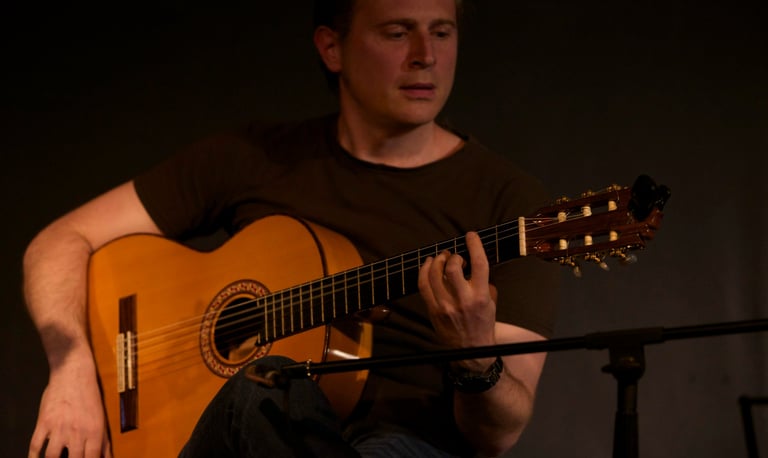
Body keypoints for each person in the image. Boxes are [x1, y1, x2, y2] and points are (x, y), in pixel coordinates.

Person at [24, 0, 560, 456]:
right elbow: (58, 242)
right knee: (268, 389)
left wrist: (475, 357)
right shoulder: (253, 158)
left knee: (275, 390)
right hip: (235, 432)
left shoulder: (513, 206)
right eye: (397, 32)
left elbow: (499, 432)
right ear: (332, 48)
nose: (426, 55)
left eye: (442, 32)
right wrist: (71, 372)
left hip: (402, 445)